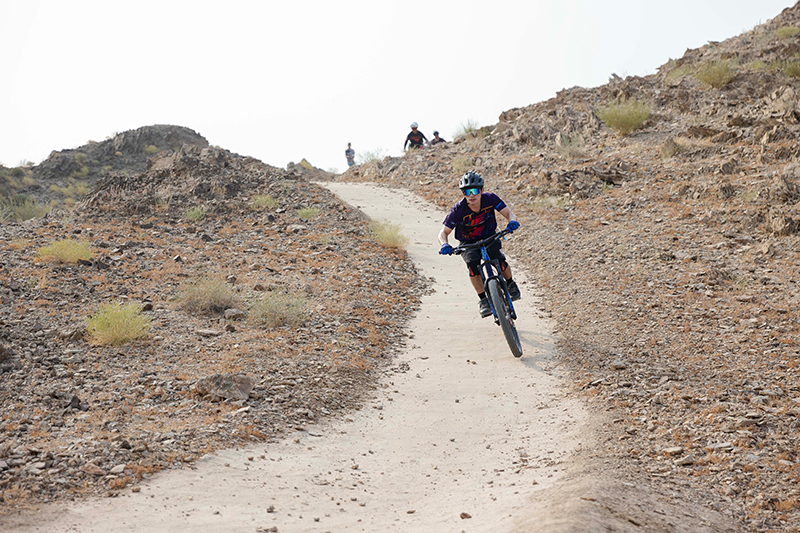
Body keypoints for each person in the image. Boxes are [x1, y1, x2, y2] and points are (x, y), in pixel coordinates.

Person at [437, 171, 521, 318]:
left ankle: (510, 283)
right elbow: (443, 233)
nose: (471, 195)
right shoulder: (458, 210)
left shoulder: (490, 199)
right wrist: (444, 244)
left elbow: (509, 214)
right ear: (463, 193)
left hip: (489, 235)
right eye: (466, 192)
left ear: (482, 190)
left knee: (499, 260)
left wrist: (512, 221)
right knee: (472, 266)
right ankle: (483, 300)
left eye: (475, 190)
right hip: (468, 242)